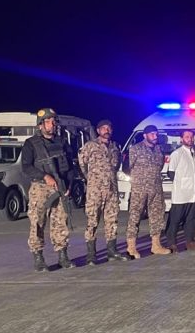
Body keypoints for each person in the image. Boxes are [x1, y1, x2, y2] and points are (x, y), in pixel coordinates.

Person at [22, 108, 78, 271]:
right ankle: (38, 258)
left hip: (60, 187)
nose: (51, 124)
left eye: (53, 121)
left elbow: (70, 166)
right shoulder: (31, 144)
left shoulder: (61, 142)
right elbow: (26, 167)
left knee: (61, 221)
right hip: (40, 188)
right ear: (40, 125)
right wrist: (45, 176)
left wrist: (68, 184)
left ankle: (62, 256)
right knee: (37, 222)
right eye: (48, 121)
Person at [79, 119, 129, 265]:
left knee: (112, 220)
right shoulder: (90, 146)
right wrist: (90, 180)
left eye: (109, 128)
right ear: (98, 130)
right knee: (92, 221)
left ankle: (112, 251)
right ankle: (91, 254)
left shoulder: (115, 147)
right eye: (104, 128)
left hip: (111, 190)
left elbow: (117, 165)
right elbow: (82, 164)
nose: (107, 130)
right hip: (95, 190)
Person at [124, 125, 172, 259]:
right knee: (135, 216)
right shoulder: (135, 149)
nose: (155, 137)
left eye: (156, 134)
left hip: (156, 188)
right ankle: (131, 247)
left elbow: (160, 166)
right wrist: (139, 178)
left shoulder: (159, 150)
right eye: (152, 134)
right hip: (140, 189)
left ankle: (156, 245)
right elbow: (127, 167)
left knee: (157, 215)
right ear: (145, 135)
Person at [165, 129, 195, 252]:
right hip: (181, 194)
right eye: (187, 137)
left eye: (191, 137)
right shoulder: (177, 154)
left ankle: (190, 241)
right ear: (181, 139)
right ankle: (171, 243)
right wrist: (182, 182)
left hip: (194, 193)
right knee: (175, 220)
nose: (190, 139)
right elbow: (170, 173)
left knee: (191, 219)